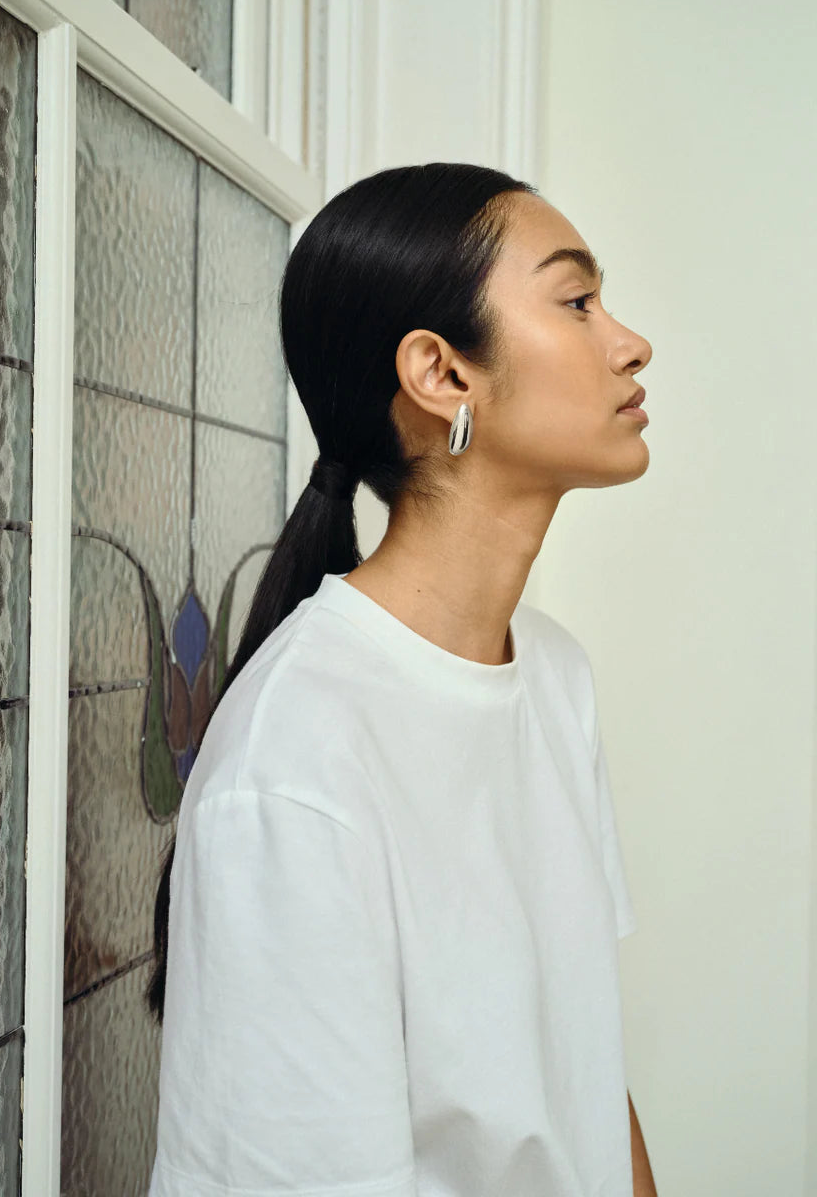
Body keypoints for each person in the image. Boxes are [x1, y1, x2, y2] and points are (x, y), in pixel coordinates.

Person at [146, 162, 657, 1197]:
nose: (630, 342)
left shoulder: (554, 675)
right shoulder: (295, 763)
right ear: (441, 374)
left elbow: (586, 1081)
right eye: (576, 301)